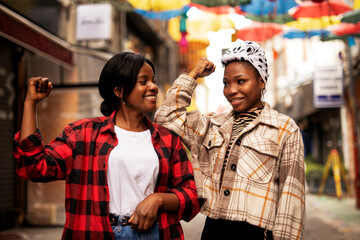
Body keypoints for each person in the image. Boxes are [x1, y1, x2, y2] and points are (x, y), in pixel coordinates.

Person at [13, 52, 200, 240]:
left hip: (156, 233)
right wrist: (30, 103)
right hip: (96, 233)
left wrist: (158, 199)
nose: (154, 87)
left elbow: (191, 195)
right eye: (143, 82)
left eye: (153, 80)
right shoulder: (83, 134)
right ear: (119, 92)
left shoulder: (167, 139)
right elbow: (34, 167)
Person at [155, 40, 305, 239]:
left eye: (241, 81)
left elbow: (291, 199)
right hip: (213, 231)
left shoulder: (284, 129)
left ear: (261, 81)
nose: (231, 90)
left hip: (258, 234)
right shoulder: (211, 125)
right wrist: (192, 76)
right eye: (226, 83)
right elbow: (166, 117)